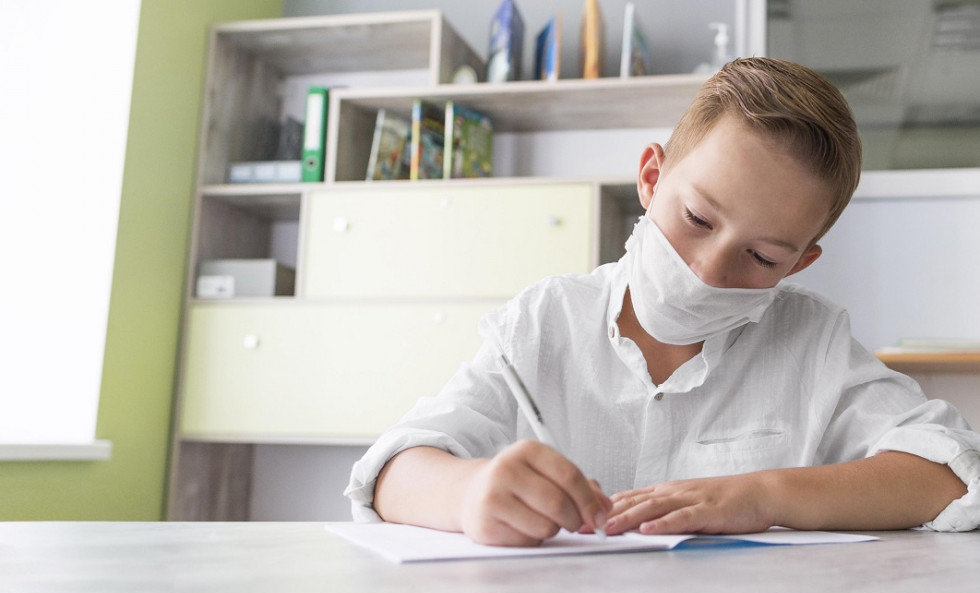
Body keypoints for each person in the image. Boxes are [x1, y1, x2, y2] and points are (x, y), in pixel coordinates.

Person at [346, 57, 980, 546]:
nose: (708, 269)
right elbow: (395, 471)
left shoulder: (810, 342)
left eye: (762, 257)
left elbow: (950, 472)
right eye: (699, 218)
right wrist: (470, 492)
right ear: (651, 178)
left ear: (799, 262)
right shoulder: (547, 321)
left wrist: (764, 496)